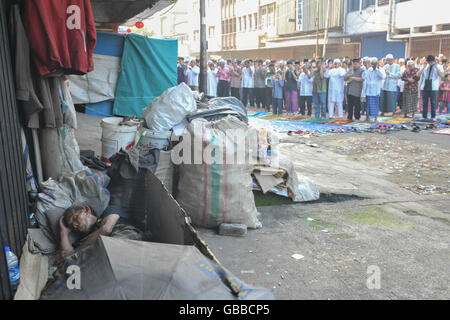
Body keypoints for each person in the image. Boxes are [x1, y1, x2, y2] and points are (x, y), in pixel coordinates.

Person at [56, 204, 145, 264]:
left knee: (115, 247)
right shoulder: (83, 241)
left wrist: (75, 252)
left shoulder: (109, 210)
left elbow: (106, 229)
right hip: (101, 254)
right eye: (72, 226)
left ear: (86, 210)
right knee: (70, 265)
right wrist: (63, 232)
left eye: (75, 218)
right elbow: (66, 256)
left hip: (123, 235)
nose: (75, 225)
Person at [417, 54, 445, 120]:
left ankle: (433, 116)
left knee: (433, 102)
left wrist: (436, 67)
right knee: (424, 102)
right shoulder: (425, 66)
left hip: (433, 87)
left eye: (431, 62)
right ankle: (424, 116)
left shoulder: (439, 66)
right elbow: (418, 74)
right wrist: (423, 67)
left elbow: (442, 75)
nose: (430, 63)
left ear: (434, 61)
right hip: (425, 86)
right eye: (429, 62)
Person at [362, 57, 386, 122]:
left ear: (377, 63)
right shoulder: (368, 70)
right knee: (368, 105)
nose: (373, 65)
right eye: (372, 64)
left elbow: (383, 77)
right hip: (368, 90)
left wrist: (377, 69)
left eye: (374, 64)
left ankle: (376, 118)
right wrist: (367, 69)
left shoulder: (380, 70)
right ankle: (367, 118)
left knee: (375, 105)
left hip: (375, 91)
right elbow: (363, 77)